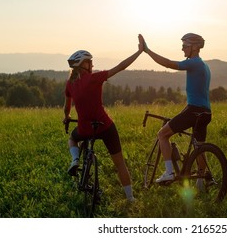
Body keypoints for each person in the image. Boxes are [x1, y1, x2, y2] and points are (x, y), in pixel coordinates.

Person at [63, 35, 144, 202]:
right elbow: (121, 66)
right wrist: (139, 52)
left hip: (85, 129)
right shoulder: (94, 78)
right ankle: (130, 198)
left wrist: (67, 117)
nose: (92, 65)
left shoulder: (70, 84)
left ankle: (75, 159)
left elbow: (66, 107)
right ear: (83, 65)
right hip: (105, 126)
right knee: (119, 162)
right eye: (90, 62)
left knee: (73, 138)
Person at [140, 33, 212, 183]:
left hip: (194, 110)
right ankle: (202, 181)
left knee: (162, 134)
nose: (182, 49)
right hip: (206, 112)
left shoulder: (194, 63)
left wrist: (147, 51)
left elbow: (168, 63)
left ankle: (169, 172)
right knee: (199, 147)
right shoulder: (205, 65)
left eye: (185, 46)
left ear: (195, 47)